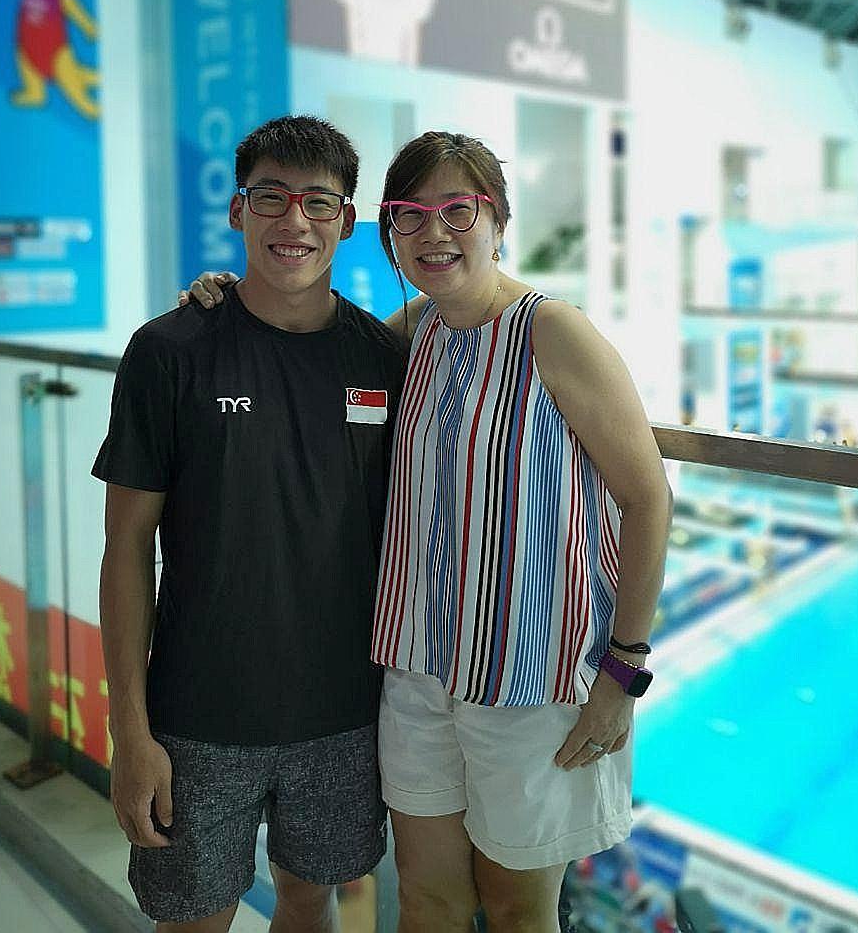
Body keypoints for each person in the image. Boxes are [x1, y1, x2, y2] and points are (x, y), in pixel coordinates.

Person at [187, 129, 672, 933]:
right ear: (386, 235)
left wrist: (622, 675)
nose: (434, 232)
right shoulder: (412, 332)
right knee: (430, 899)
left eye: (459, 210)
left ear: (498, 220)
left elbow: (648, 499)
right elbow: (307, 339)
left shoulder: (553, 332)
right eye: (409, 215)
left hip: (535, 679)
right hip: (417, 675)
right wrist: (222, 301)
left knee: (519, 912)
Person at [95, 115, 408, 933]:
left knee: (310, 900)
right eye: (269, 196)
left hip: (344, 713)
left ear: (346, 220)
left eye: (318, 201)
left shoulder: (383, 359)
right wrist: (130, 730)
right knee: (196, 917)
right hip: (199, 718)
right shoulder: (170, 351)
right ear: (238, 212)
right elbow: (126, 548)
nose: (293, 220)